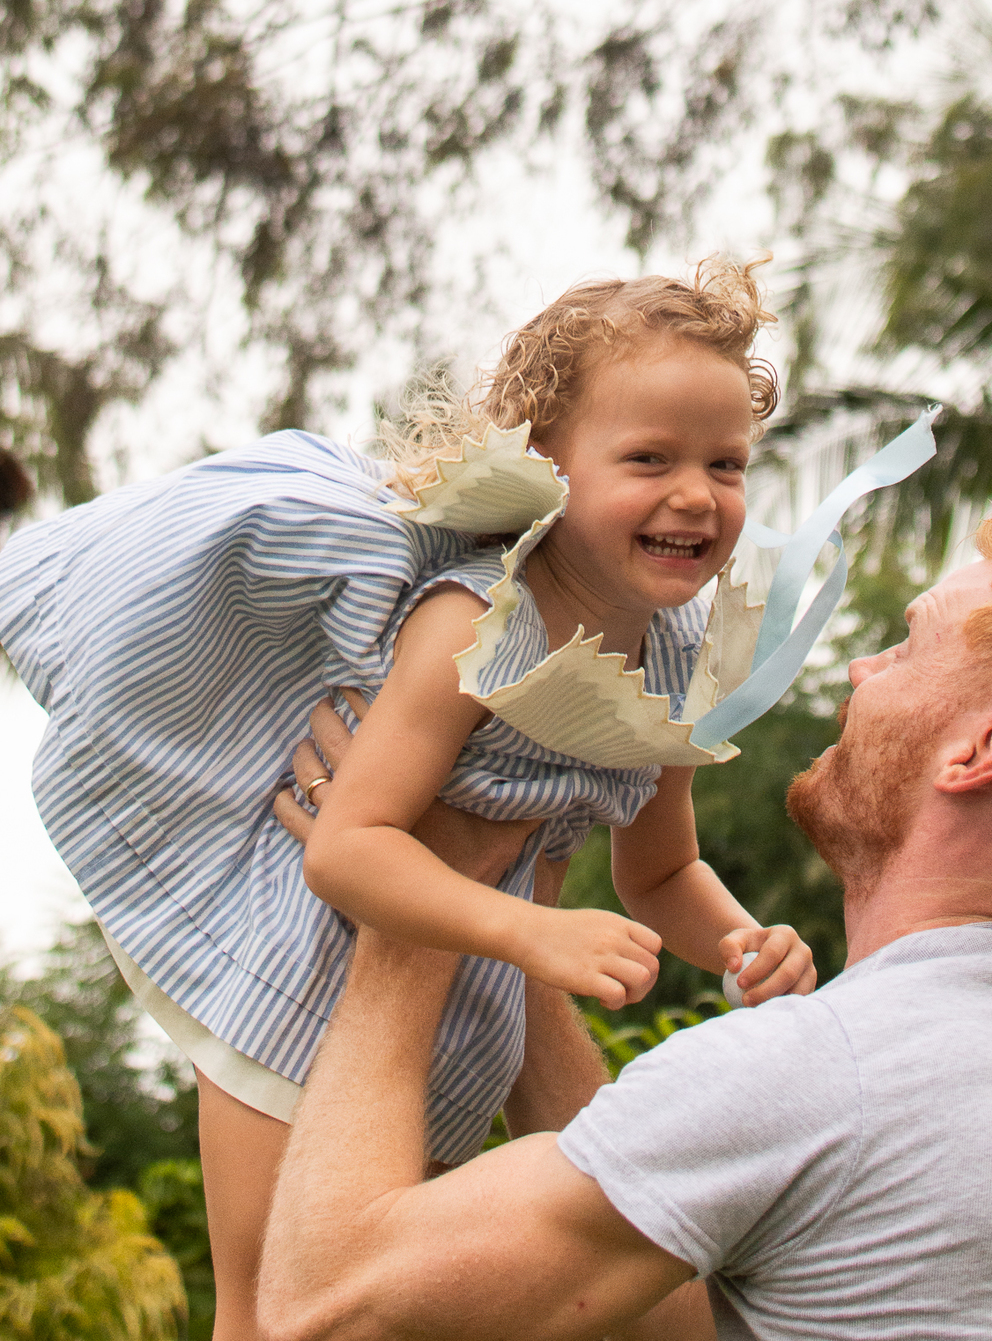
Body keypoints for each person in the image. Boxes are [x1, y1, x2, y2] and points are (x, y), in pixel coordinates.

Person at [0, 259, 823, 1341]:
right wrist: (532, 927)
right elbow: (346, 848)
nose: (695, 495)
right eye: (648, 458)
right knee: (272, 1312)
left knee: (387, 1309)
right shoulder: (477, 619)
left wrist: (740, 943)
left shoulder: (676, 659)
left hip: (464, 1005)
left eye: (726, 462)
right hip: (304, 971)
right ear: (549, 465)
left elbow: (660, 868)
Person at [258, 508, 992, 1341]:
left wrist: (409, 914)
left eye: (908, 650)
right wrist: (510, 924)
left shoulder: (829, 1073)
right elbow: (646, 1298)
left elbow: (328, 1309)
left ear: (980, 751)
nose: (863, 672)